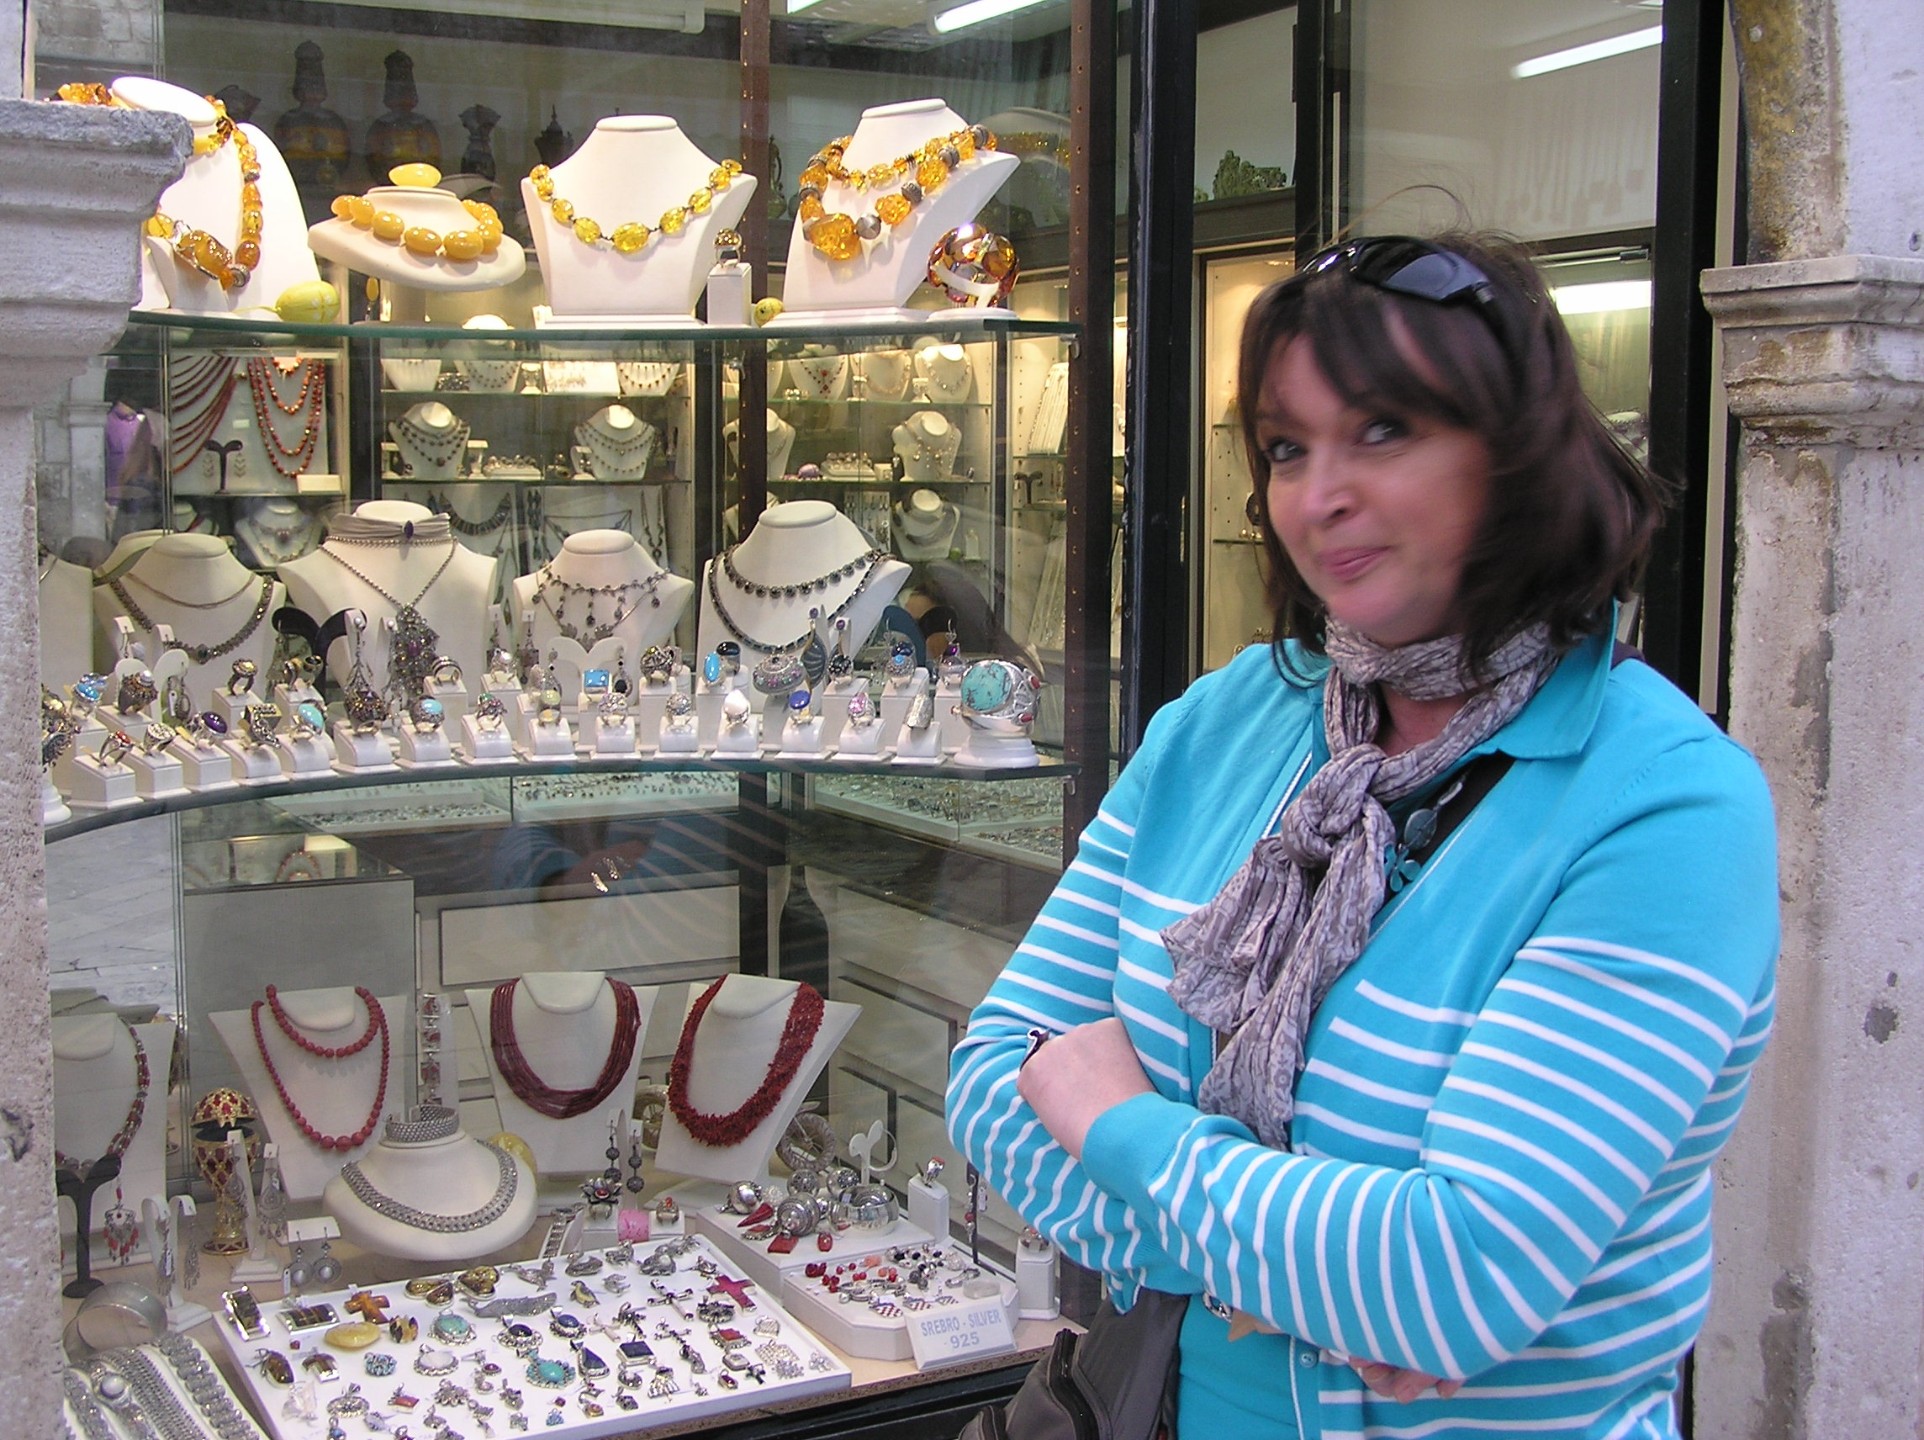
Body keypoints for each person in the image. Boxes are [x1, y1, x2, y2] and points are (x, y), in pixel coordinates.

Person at [946, 232, 1778, 1438]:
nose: (1317, 494)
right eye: (1286, 447)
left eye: (1382, 431)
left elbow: (1453, 1276)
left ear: (1516, 452)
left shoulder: (1663, 809)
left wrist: (1117, 1123)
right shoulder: (1228, 724)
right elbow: (991, 1074)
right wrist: (1314, 1283)